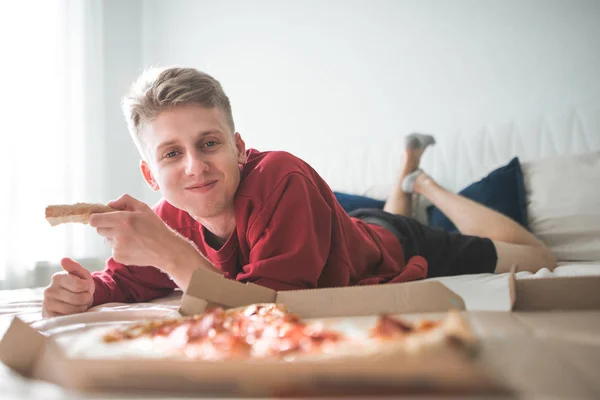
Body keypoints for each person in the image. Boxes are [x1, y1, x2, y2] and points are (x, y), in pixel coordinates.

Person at [41, 67, 556, 317]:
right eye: (171, 154)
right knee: (358, 224)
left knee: (539, 258)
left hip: (396, 245)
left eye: (209, 143)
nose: (195, 166)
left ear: (239, 148)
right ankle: (408, 178)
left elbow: (270, 307)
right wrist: (90, 291)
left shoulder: (283, 177)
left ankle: (425, 183)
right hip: (342, 231)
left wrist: (175, 258)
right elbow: (123, 282)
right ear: (152, 175)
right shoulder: (169, 216)